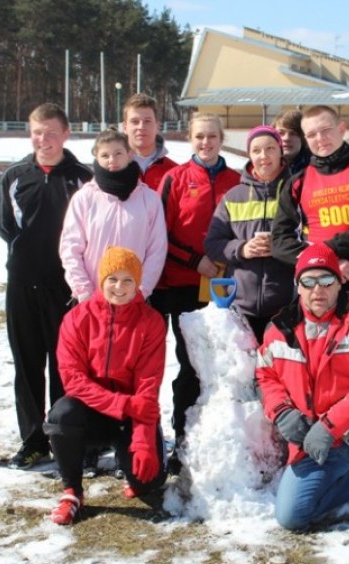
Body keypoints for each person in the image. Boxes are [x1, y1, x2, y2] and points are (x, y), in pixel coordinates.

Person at [257, 243, 349, 552]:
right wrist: (283, 412)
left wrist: (330, 426)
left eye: (326, 281)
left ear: (340, 283)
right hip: (314, 444)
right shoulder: (280, 328)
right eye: (308, 282)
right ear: (297, 286)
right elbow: (265, 377)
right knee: (291, 516)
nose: (317, 290)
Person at [0, 102, 93, 470]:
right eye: (38, 132)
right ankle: (33, 439)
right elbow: (6, 228)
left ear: (66, 134)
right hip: (23, 285)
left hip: (66, 288)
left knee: (66, 366)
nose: (44, 139)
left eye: (51, 132)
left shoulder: (83, 177)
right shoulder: (15, 176)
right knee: (27, 364)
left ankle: (65, 436)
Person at [45, 247, 167, 524]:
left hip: (132, 416)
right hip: (90, 413)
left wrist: (144, 441)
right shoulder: (77, 318)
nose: (119, 287)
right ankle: (72, 491)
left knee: (149, 483)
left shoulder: (151, 322)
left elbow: (148, 385)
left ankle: (131, 458)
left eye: (127, 280)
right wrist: (121, 403)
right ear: (101, 280)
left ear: (138, 284)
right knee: (61, 414)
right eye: (112, 279)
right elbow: (73, 380)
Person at [153, 112, 241, 472]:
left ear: (222, 139)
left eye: (212, 136)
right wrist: (195, 261)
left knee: (227, 365)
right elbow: (160, 233)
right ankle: (183, 440)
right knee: (189, 366)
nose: (206, 143)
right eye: (199, 137)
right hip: (183, 286)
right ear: (190, 139)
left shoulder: (237, 180)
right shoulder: (174, 179)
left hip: (226, 288)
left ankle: (229, 436)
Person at [272, 105, 349, 329]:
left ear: (341, 129)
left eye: (326, 130)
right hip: (315, 296)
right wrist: (327, 262)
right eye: (311, 134)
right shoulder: (297, 182)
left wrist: (326, 251)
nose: (320, 139)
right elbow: (280, 243)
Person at [204, 125, 294, 343]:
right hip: (240, 306)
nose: (264, 156)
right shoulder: (234, 196)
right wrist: (242, 248)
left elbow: (312, 238)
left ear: (281, 151)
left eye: (270, 148)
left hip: (286, 305)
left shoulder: (296, 191)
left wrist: (280, 247)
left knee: (279, 373)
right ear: (249, 155)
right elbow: (213, 244)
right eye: (256, 150)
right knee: (243, 374)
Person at [60, 128, 167, 303]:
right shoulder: (84, 198)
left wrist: (141, 290)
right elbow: (70, 248)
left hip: (134, 299)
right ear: (96, 156)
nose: (112, 160)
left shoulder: (149, 199)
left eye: (118, 153)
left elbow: (157, 250)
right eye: (105, 155)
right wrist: (84, 291)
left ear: (130, 154)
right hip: (92, 298)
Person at [121, 93, 177, 191]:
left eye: (147, 121)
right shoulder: (113, 168)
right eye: (135, 121)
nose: (141, 127)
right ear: (125, 127)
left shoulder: (175, 171)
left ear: (157, 126)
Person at [272, 110, 310, 175]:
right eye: (281, 133)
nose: (286, 138)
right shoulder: (262, 166)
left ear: (304, 137)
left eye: (293, 133)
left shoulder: (316, 169)